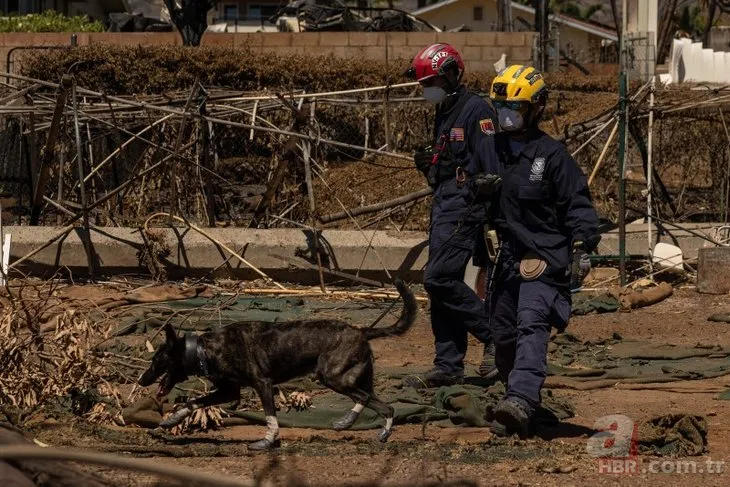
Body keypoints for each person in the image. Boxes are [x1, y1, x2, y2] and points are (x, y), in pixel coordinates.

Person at [483, 64, 601, 437]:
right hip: (506, 260)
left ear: (535, 109)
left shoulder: (552, 156)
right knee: (502, 335)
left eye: (514, 109)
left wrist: (583, 247)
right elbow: (464, 186)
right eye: (501, 108)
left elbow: (578, 205)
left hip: (544, 257)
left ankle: (521, 399)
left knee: (531, 324)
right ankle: (512, 395)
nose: (507, 116)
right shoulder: (491, 150)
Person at [402, 43, 501, 388]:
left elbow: (490, 169)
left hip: (466, 207)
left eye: (432, 82)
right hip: (444, 206)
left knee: (437, 278)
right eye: (424, 84)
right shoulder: (444, 111)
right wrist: (431, 166)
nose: (427, 90)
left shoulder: (477, 111)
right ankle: (448, 365)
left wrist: (485, 206)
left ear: (451, 75)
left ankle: (495, 336)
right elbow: (448, 164)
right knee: (443, 287)